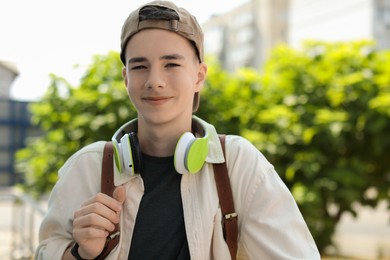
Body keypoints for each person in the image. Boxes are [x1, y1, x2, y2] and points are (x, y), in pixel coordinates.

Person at [36, 1, 320, 259]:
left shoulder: (239, 164)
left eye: (171, 64)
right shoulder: (87, 167)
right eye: (140, 66)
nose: (154, 81)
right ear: (126, 78)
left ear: (199, 76)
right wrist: (80, 254)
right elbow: (46, 251)